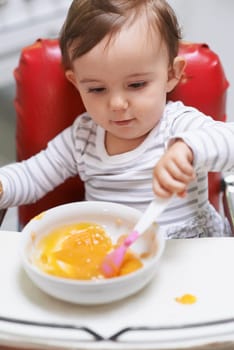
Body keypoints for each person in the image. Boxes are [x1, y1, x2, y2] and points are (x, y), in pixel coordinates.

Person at [0, 0, 234, 238]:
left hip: (188, 256)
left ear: (172, 74)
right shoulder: (83, 138)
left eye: (136, 85)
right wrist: (2, 185)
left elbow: (229, 140)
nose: (117, 105)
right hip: (116, 260)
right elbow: (30, 176)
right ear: (76, 83)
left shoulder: (177, 124)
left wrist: (188, 149)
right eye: (97, 89)